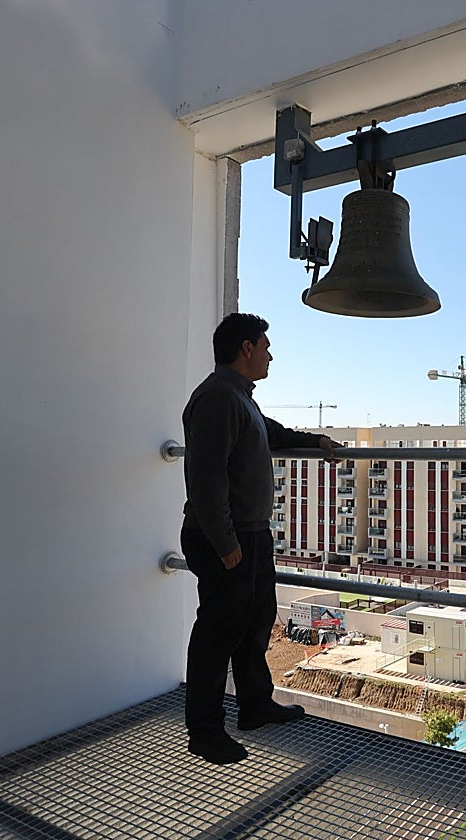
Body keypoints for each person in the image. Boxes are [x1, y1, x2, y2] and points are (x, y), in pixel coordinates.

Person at [181, 313, 342, 765]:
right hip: (226, 539)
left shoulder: (238, 398)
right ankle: (204, 731)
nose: (271, 354)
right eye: (265, 346)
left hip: (248, 536)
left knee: (253, 623)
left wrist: (315, 442)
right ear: (246, 348)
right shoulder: (216, 399)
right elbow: (205, 480)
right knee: (217, 632)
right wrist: (226, 543)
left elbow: (271, 433)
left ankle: (255, 705)